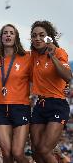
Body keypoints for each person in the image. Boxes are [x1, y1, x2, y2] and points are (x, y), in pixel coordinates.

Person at [30, 20, 72, 163]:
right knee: (35, 151)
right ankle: (58, 155)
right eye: (34, 35)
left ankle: (58, 154)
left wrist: (52, 55)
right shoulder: (32, 56)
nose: (37, 38)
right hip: (39, 105)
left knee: (44, 149)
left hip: (57, 104)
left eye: (41, 35)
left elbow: (67, 76)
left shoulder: (60, 52)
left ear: (49, 38)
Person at [0, 24, 32, 163]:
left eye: (11, 33)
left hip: (21, 107)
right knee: (6, 154)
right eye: (5, 33)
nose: (8, 35)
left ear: (16, 37)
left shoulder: (27, 57)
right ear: (1, 38)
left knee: (18, 153)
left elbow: (41, 74)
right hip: (1, 109)